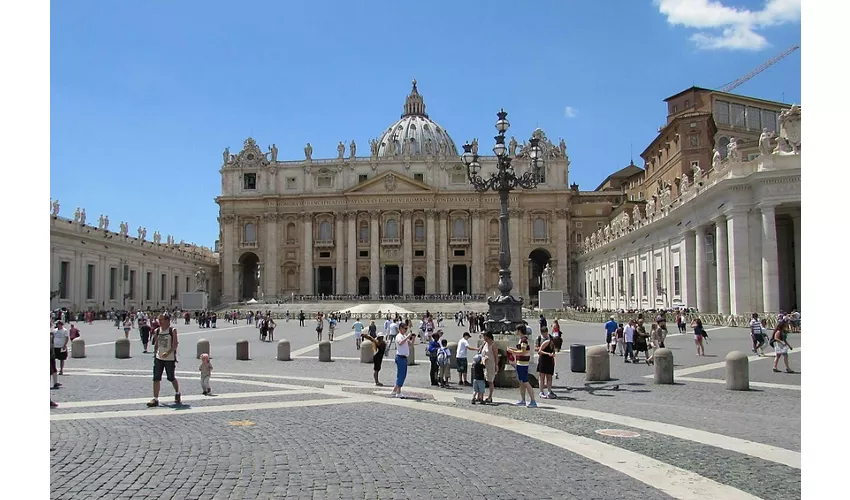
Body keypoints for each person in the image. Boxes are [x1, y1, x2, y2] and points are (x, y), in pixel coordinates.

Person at [147, 312, 181, 407]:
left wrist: (168, 352)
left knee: (171, 377)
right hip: (159, 358)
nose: (159, 321)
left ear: (167, 320)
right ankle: (155, 399)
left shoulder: (172, 330)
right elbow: (156, 343)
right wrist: (155, 353)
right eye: (159, 319)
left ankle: (177, 393)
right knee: (156, 377)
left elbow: (175, 345)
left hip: (169, 359)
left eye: (161, 319)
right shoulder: (158, 330)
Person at [507, 336, 537, 408]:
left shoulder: (523, 341)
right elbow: (521, 349)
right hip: (520, 363)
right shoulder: (522, 340)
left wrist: (512, 352)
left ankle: (533, 401)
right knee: (522, 382)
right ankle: (523, 400)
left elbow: (523, 352)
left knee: (525, 382)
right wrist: (512, 349)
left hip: (523, 364)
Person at [391, 323, 416, 398]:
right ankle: (398, 392)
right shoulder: (399, 336)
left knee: (401, 374)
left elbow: (410, 344)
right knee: (402, 375)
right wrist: (407, 336)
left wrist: (413, 338)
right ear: (400, 328)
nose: (406, 330)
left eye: (406, 328)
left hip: (404, 358)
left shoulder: (404, 336)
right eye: (405, 328)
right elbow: (400, 343)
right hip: (400, 357)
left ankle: (395, 390)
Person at [480, 332, 499, 403]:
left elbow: (496, 356)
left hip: (491, 364)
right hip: (484, 364)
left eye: (484, 336)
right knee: (485, 380)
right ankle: (481, 395)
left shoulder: (493, 345)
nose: (484, 338)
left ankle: (490, 396)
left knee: (490, 381)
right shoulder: (485, 343)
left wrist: (496, 365)